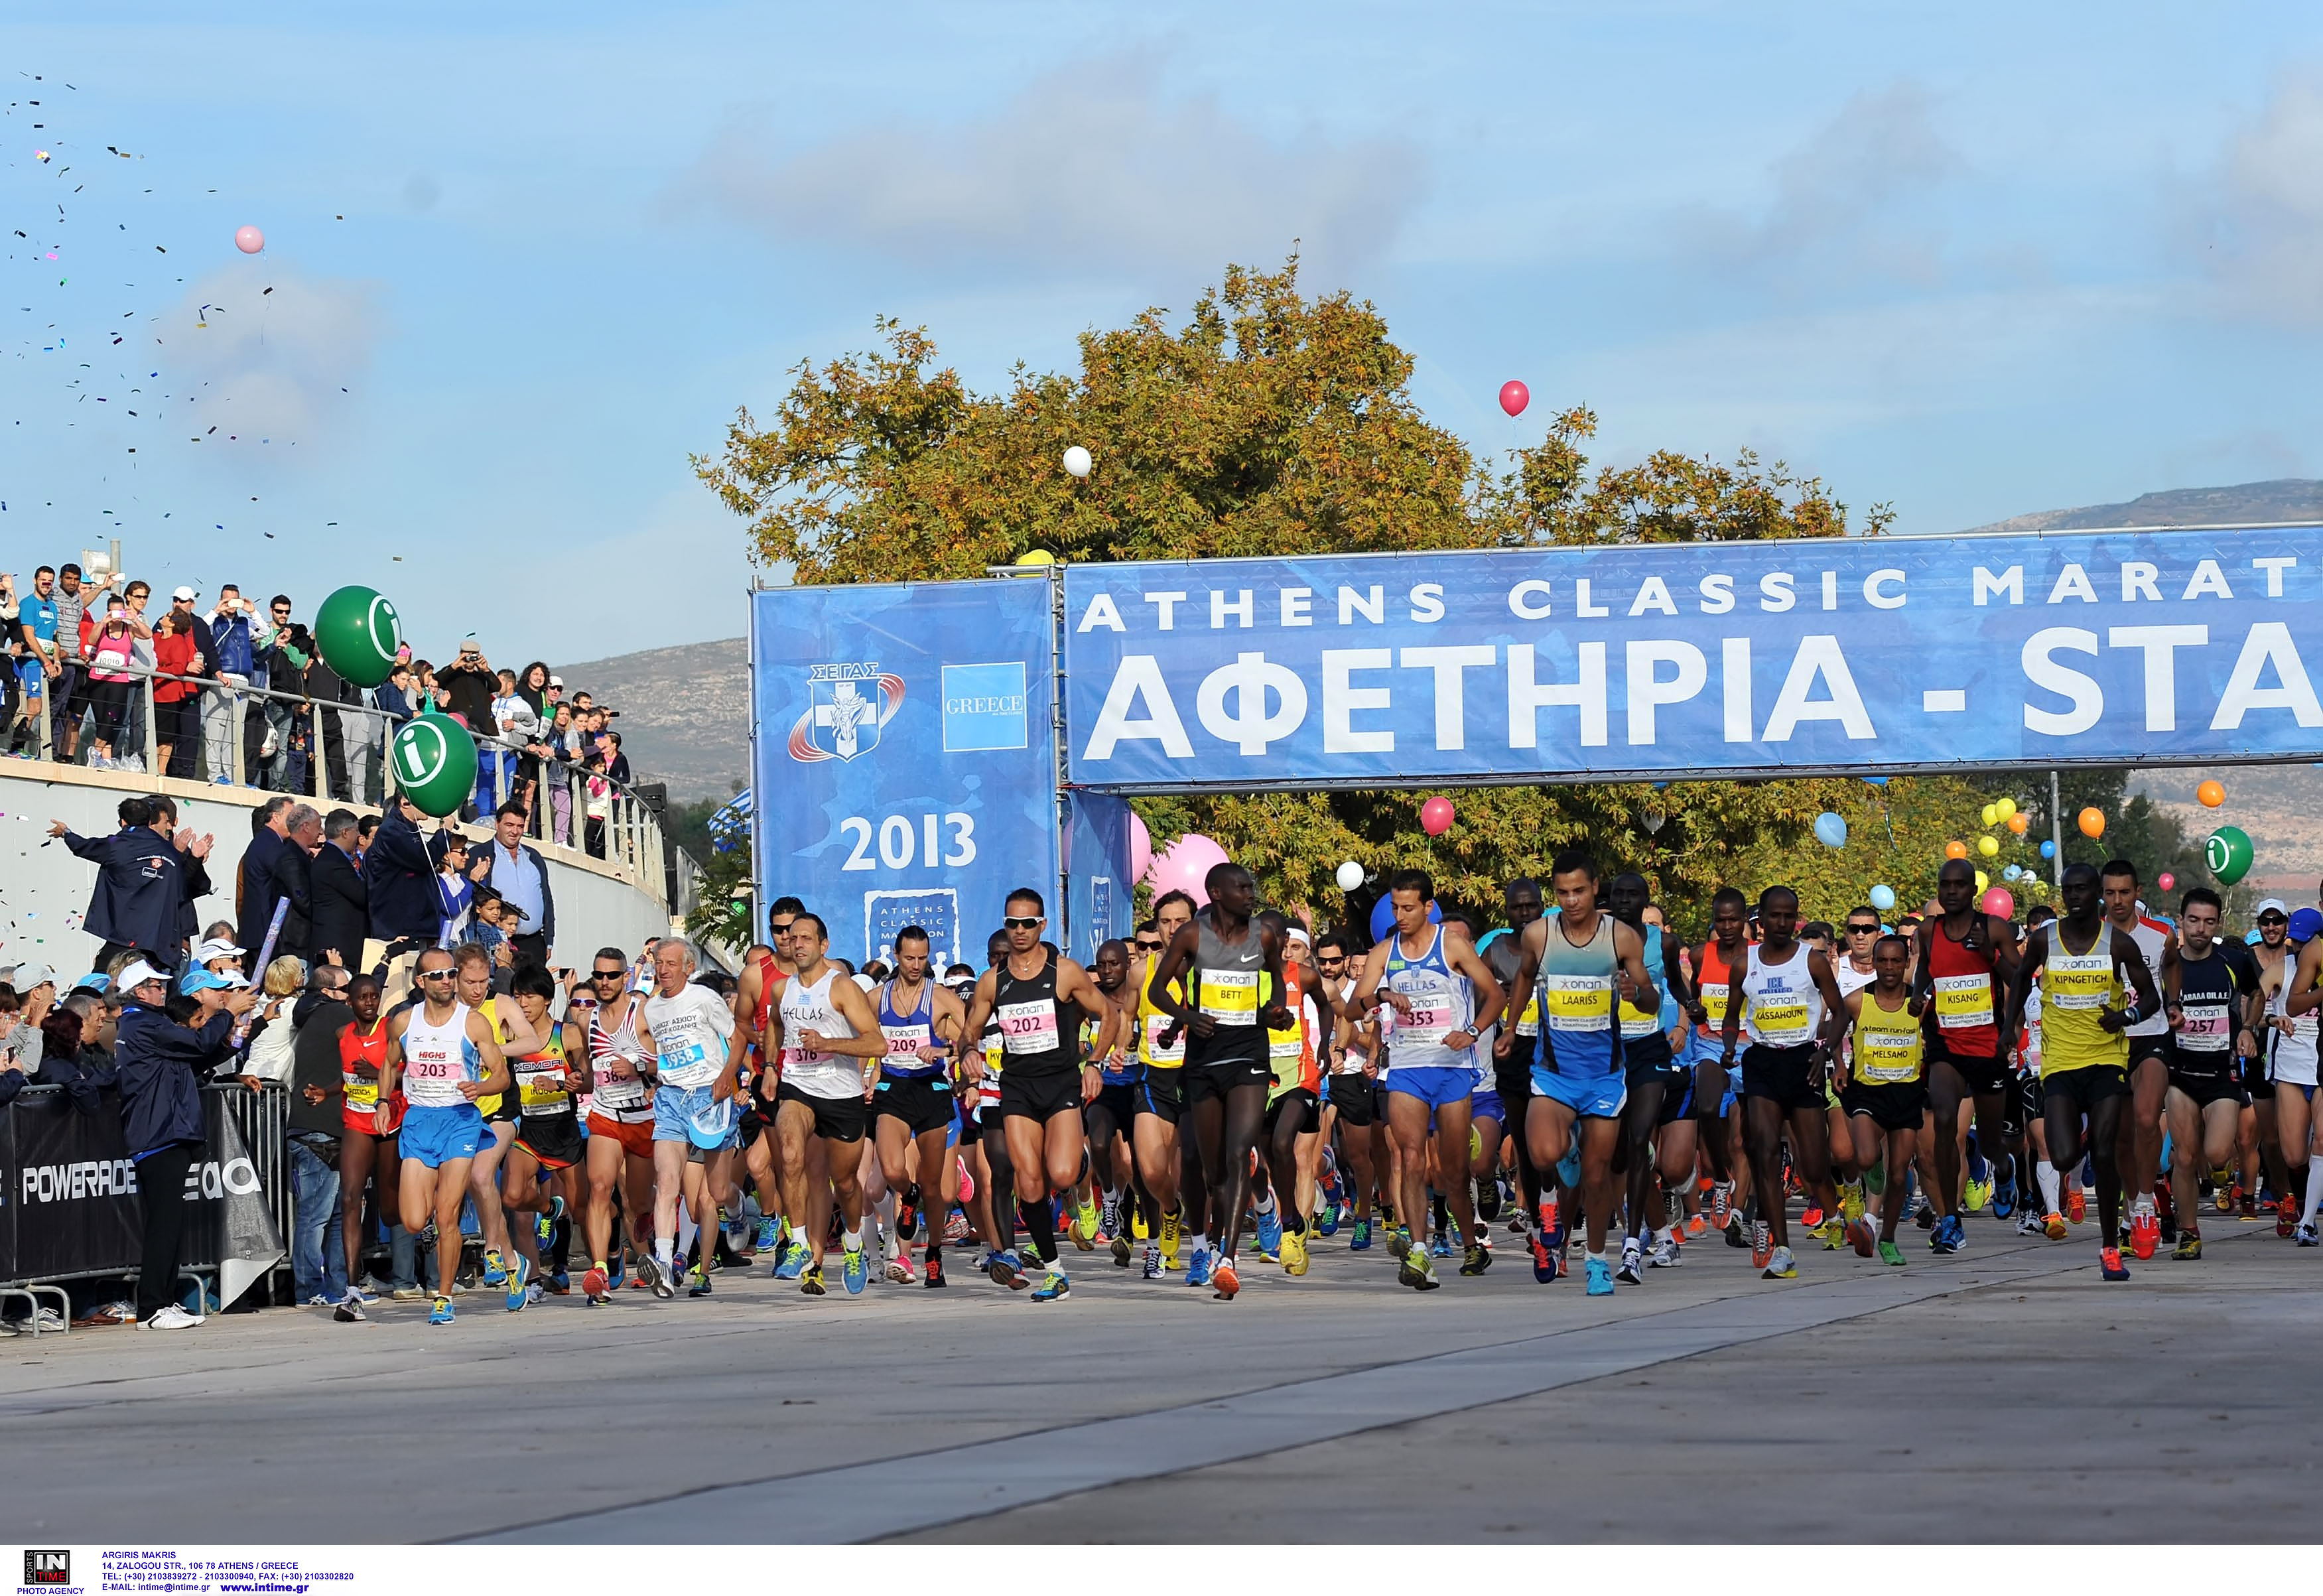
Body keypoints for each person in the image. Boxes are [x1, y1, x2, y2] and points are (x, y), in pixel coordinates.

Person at [1498, 853, 1656, 1296]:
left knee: (1597, 1175)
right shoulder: (1539, 935)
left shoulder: (1621, 938)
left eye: (1579, 891)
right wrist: (1511, 1029)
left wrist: (1635, 992)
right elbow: (1525, 979)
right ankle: (1550, 1195)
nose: (1571, 901)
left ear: (1594, 887)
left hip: (1604, 1077)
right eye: (1563, 893)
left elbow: (1647, 999)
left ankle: (1596, 1262)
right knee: (1544, 1154)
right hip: (1553, 1073)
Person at [1148, 862, 1300, 1299]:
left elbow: (1275, 981)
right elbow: (1159, 990)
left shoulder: (1264, 936)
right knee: (1211, 1165)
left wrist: (1275, 1010)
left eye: (1252, 887)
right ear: (1216, 892)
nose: (1251, 894)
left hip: (1249, 1056)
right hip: (1203, 1061)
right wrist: (1186, 1017)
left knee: (1239, 1153)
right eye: (1242, 888)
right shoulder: (1192, 936)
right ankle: (1215, 1238)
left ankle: (1228, 1260)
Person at [2006, 862, 2162, 1282]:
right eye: (2068, 890)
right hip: (2059, 1063)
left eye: (2082, 889)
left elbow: (2151, 998)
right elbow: (2021, 980)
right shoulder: (2044, 940)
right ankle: (2082, 1140)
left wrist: (2126, 1016)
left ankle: (2111, 1247)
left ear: (2097, 894)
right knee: (2062, 1156)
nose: (2075, 896)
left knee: (2107, 1151)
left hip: (2107, 1059)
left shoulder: (2118, 943)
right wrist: (2010, 1028)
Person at [1355, 868, 1505, 1292]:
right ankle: (1420, 1251)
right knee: (1411, 1158)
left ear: (1427, 907)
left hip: (1453, 1068)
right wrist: (1380, 996)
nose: (1400, 915)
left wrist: (1472, 1032)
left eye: (1407, 908)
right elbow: (1352, 1009)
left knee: (1455, 1174)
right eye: (1394, 907)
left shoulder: (1451, 944)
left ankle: (1472, 1242)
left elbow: (1495, 995)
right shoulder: (1384, 952)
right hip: (1406, 1067)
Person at [958, 889, 1108, 1301]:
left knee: (1060, 1174)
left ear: (1042, 925)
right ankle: (1055, 1273)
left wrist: (1094, 1062)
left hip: (1061, 1084)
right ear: (1005, 925)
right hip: (1018, 1088)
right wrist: (968, 1051)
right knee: (1029, 1184)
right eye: (1013, 923)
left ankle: (1081, 1168)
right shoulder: (993, 981)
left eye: (1028, 923)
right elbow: (969, 1030)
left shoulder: (1065, 972)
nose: (1020, 931)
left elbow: (1109, 1014)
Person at [112, 958, 259, 1329]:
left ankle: (164, 1299)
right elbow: (197, 1040)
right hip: (157, 1133)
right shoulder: (141, 1022)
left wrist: (248, 1026)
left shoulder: (151, 1024)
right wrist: (228, 1011)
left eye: (163, 985)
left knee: (172, 1223)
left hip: (168, 1131)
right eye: (157, 986)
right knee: (164, 1223)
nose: (164, 990)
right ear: (140, 991)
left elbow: (196, 1058)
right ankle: (151, 1307)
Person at [1719, 884, 1850, 1281]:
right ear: (1760, 919)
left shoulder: (1812, 961)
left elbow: (1841, 1012)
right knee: (1764, 1152)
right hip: (1761, 1062)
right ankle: (1782, 1247)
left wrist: (1825, 1051)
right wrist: (1728, 1046)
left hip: (1804, 1061)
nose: (1781, 922)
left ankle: (1834, 1215)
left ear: (1797, 919)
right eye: (1774, 915)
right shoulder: (1745, 962)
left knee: (1813, 1163)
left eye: (1788, 915)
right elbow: (1730, 1016)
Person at [378, 947, 512, 1325]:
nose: (446, 981)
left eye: (450, 974)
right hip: (420, 1122)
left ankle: (444, 1296)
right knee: (413, 1220)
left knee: (447, 1214)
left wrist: (481, 1089)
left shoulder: (473, 1023)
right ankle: (488, 1265)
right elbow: (389, 1066)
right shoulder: (404, 1022)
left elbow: (501, 1075)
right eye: (436, 976)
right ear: (420, 982)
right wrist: (383, 1102)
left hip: (459, 1121)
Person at [1909, 858, 2023, 1256]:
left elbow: (2020, 978)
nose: (1952, 891)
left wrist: (1990, 956)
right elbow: (1925, 969)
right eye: (1946, 885)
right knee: (1943, 1118)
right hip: (1945, 1042)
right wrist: (1918, 995)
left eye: (1960, 885)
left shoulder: (1993, 928)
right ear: (1939, 890)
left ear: (1973, 891)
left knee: (1991, 1140)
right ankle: (1950, 1219)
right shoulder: (1929, 930)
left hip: (1987, 1045)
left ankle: (2004, 1170)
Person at [765, 915, 883, 1296]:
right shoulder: (782, 990)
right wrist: (770, 1066)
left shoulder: (842, 988)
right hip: (798, 1085)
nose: (796, 944)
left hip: (842, 1093)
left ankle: (853, 1246)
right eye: (791, 937)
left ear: (823, 945)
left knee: (846, 1184)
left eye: (805, 938)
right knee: (791, 1154)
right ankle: (798, 1242)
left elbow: (876, 1044)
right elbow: (774, 1027)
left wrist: (829, 1043)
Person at [2160, 887, 2260, 1261]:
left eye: (2209, 921)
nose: (2201, 928)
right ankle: (2190, 1232)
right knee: (2184, 1158)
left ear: (2218, 923)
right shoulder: (2168, 965)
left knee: (2217, 1153)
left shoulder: (2235, 960)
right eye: (2193, 920)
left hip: (2222, 1074)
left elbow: (2258, 993)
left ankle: (2222, 1173)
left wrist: (2248, 1027)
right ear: (2182, 922)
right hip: (2180, 1073)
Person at [1605, 871, 1693, 1280]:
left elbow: (1674, 982)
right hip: (1603, 1051)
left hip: (1648, 1048)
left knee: (1640, 1141)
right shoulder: (1594, 938)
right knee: (1618, 1154)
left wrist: (1691, 1007)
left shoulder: (1664, 943)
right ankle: (1663, 1234)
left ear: (1645, 899)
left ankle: (1631, 1248)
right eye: (1618, 893)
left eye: (1632, 894)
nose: (1624, 900)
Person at [870, 925, 967, 1289]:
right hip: (893, 1091)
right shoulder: (878, 998)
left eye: (923, 958)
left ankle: (934, 1255)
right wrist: (870, 1071)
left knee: (935, 1187)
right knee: (895, 1170)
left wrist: (944, 1050)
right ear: (896, 956)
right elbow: (865, 1037)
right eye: (909, 958)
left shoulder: (940, 997)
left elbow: (972, 1034)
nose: (916, 965)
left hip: (932, 1090)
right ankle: (906, 1197)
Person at [2101, 859, 2177, 1258]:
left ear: (2138, 892)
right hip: (2109, 1044)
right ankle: (2132, 1208)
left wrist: (2175, 1002)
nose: (2117, 900)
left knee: (2148, 1119)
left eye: (2124, 892)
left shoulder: (2161, 935)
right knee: (2120, 1136)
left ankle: (2147, 1203)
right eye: (2110, 893)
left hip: (2152, 1036)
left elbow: (2173, 967)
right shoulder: (2091, 940)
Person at [499, 964, 586, 1305]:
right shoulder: (510, 1036)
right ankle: (533, 1278)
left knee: (581, 1209)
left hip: (563, 1129)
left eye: (530, 996)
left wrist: (565, 1081)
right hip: (527, 1129)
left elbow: (585, 1075)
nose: (523, 1003)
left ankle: (610, 1256)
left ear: (548, 1000)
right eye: (518, 996)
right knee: (515, 1199)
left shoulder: (566, 1034)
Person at [1839, 933, 1924, 1265]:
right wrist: (1837, 1064)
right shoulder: (1858, 1000)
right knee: (1864, 1157)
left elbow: (1936, 1035)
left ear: (1906, 965)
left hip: (1906, 1091)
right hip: (1868, 1090)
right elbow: (1835, 1033)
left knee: (1901, 1175)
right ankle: (1872, 1169)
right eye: (1883, 961)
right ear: (1873, 964)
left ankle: (1887, 1239)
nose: (1889, 967)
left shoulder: (1919, 1004)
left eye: (1896, 961)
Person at [580, 948, 657, 1305]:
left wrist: (638, 1068)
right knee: (599, 1187)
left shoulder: (642, 1012)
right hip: (606, 1114)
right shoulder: (588, 1020)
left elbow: (665, 1064)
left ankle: (647, 1219)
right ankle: (599, 1269)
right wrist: (574, 1080)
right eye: (599, 976)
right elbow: (589, 1074)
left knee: (638, 1202)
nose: (605, 982)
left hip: (641, 1117)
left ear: (626, 976)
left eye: (612, 976)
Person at [284, 964, 360, 1316]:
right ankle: (310, 1288)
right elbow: (364, 1041)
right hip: (319, 1130)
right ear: (330, 993)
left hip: (327, 1127)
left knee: (333, 1214)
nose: (356, 998)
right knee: (316, 1215)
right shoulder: (335, 1014)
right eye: (350, 990)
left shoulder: (316, 1013)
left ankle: (337, 1287)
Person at [1129, 889, 1197, 1279]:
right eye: (1166, 922)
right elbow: (1125, 1013)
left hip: (1196, 1079)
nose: (1173, 929)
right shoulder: (1142, 970)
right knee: (1152, 1171)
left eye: (1180, 921)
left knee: (1195, 1167)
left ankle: (1207, 1245)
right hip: (1153, 1077)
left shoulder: (1206, 967)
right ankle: (1170, 1210)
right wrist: (1120, 1044)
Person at [50, 799, 188, 968]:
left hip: (123, 936)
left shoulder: (117, 845)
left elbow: (83, 846)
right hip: (158, 943)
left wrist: (66, 832)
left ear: (123, 822)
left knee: (99, 985)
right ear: (149, 821)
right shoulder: (170, 852)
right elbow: (182, 892)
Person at [483, 802, 555, 969]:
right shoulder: (482, 854)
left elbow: (547, 900)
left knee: (535, 993)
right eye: (509, 825)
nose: (515, 831)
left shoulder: (534, 857)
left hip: (534, 943)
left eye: (520, 826)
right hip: (498, 943)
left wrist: (549, 941)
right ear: (497, 824)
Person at [308, 809, 369, 972]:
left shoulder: (334, 858)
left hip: (343, 945)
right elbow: (361, 895)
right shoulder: (333, 861)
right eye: (356, 831)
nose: (358, 836)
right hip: (338, 948)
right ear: (345, 832)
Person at [238, 796, 295, 957]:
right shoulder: (270, 844)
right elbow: (289, 878)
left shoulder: (269, 842)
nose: (294, 822)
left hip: (261, 932)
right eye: (291, 817)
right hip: (264, 934)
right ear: (276, 817)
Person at [151, 610, 202, 779]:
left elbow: (180, 667)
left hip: (169, 693)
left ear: (173, 623)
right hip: (153, 690)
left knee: (165, 734)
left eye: (167, 615)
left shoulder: (178, 641)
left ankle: (161, 769)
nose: (163, 616)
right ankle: (151, 765)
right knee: (154, 731)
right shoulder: (156, 638)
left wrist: (157, 670)